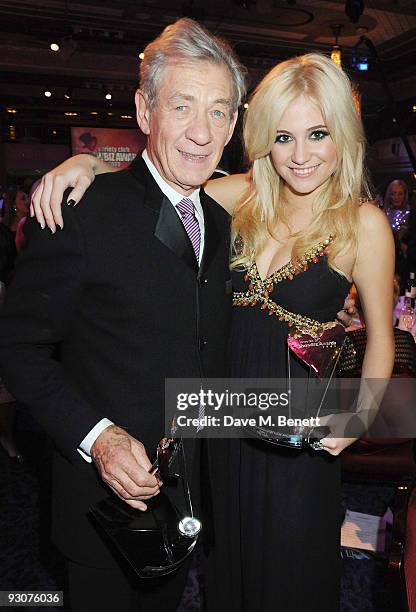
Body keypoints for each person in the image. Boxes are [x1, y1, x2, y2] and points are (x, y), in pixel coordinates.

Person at [29, 52, 394, 610]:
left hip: (297, 442)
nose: (300, 156)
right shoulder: (241, 196)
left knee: (289, 582)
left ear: (342, 134)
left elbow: (384, 341)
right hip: (219, 429)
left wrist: (358, 415)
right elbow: (157, 183)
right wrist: (92, 168)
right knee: (227, 579)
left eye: (317, 134)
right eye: (283, 136)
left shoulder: (362, 223)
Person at [0, 18, 246, 612]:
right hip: (104, 511)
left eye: (218, 111)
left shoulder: (224, 223)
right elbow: (17, 349)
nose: (200, 131)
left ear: (235, 123)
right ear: (144, 110)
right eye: (182, 106)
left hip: (186, 500)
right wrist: (99, 438)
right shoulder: (83, 212)